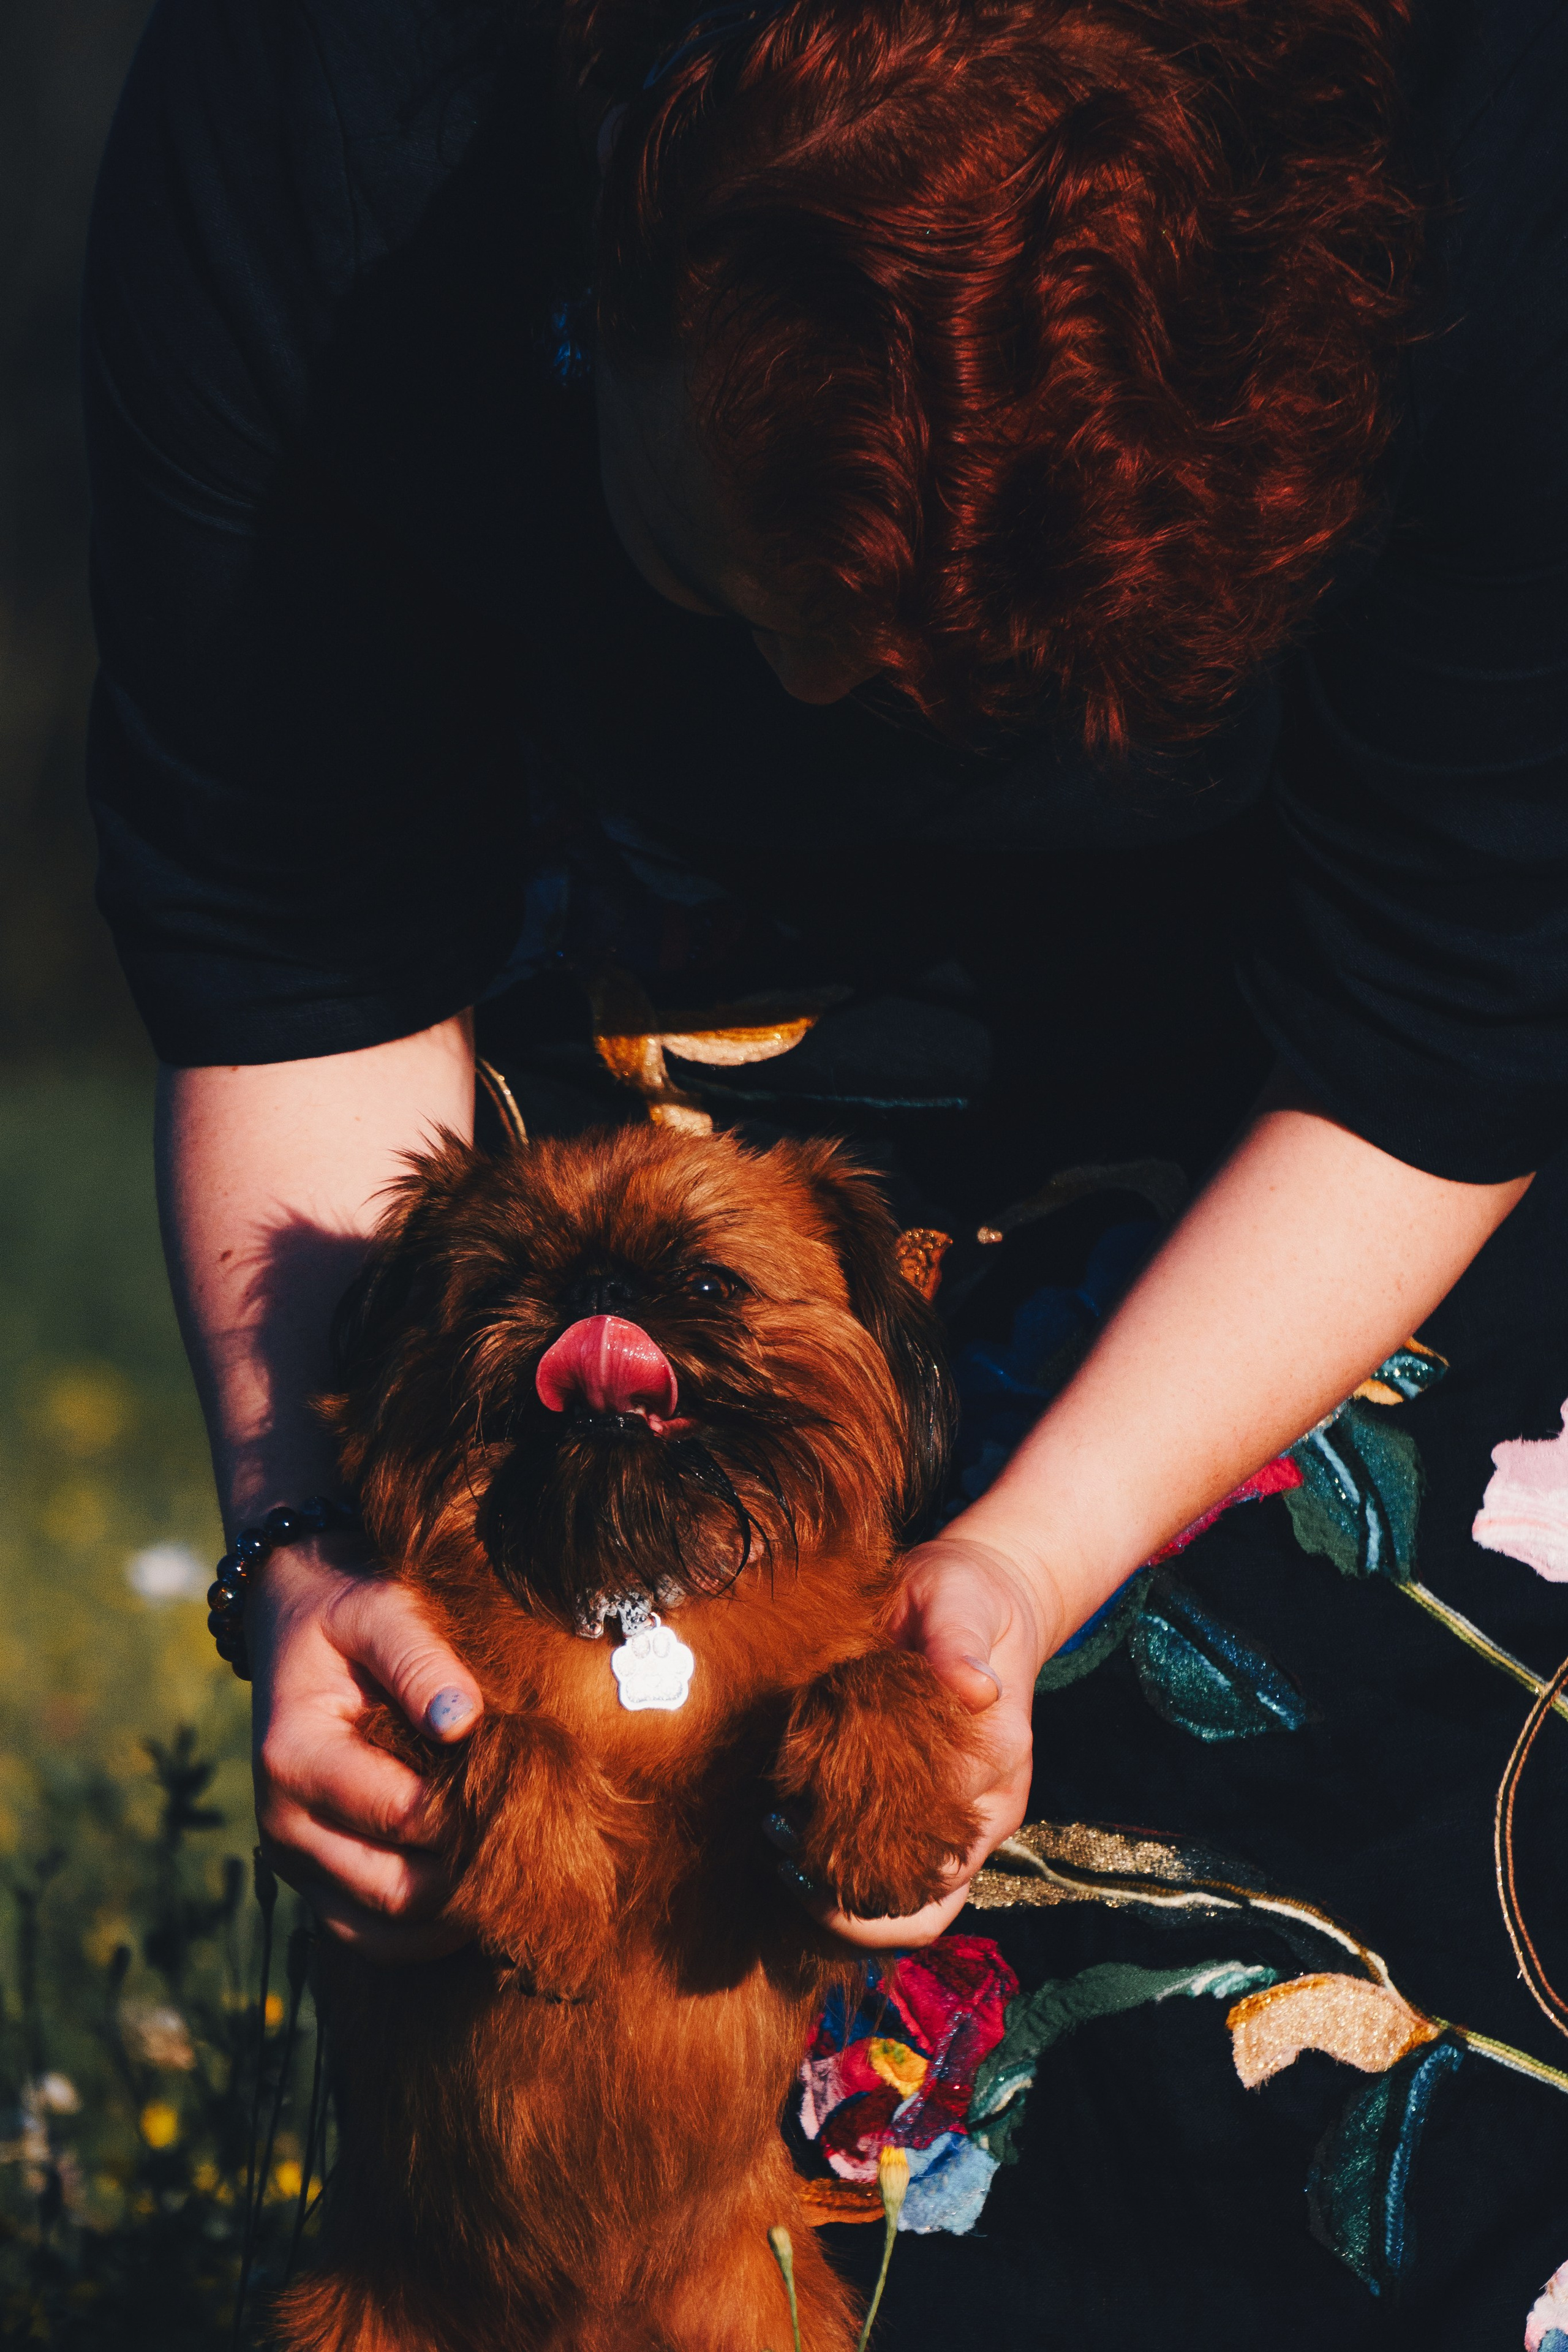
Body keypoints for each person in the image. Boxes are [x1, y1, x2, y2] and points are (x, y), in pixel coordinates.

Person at [84, 0, 1568, 2338]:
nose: (807, 704)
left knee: (1295, 2106)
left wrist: (1017, 1567)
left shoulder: (1497, 152)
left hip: (1299, 1157)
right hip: (610, 1107)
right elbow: (298, 931)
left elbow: (1450, 1031)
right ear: (646, 225)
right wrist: (304, 1545)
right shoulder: (326, 97)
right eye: (732, 578)